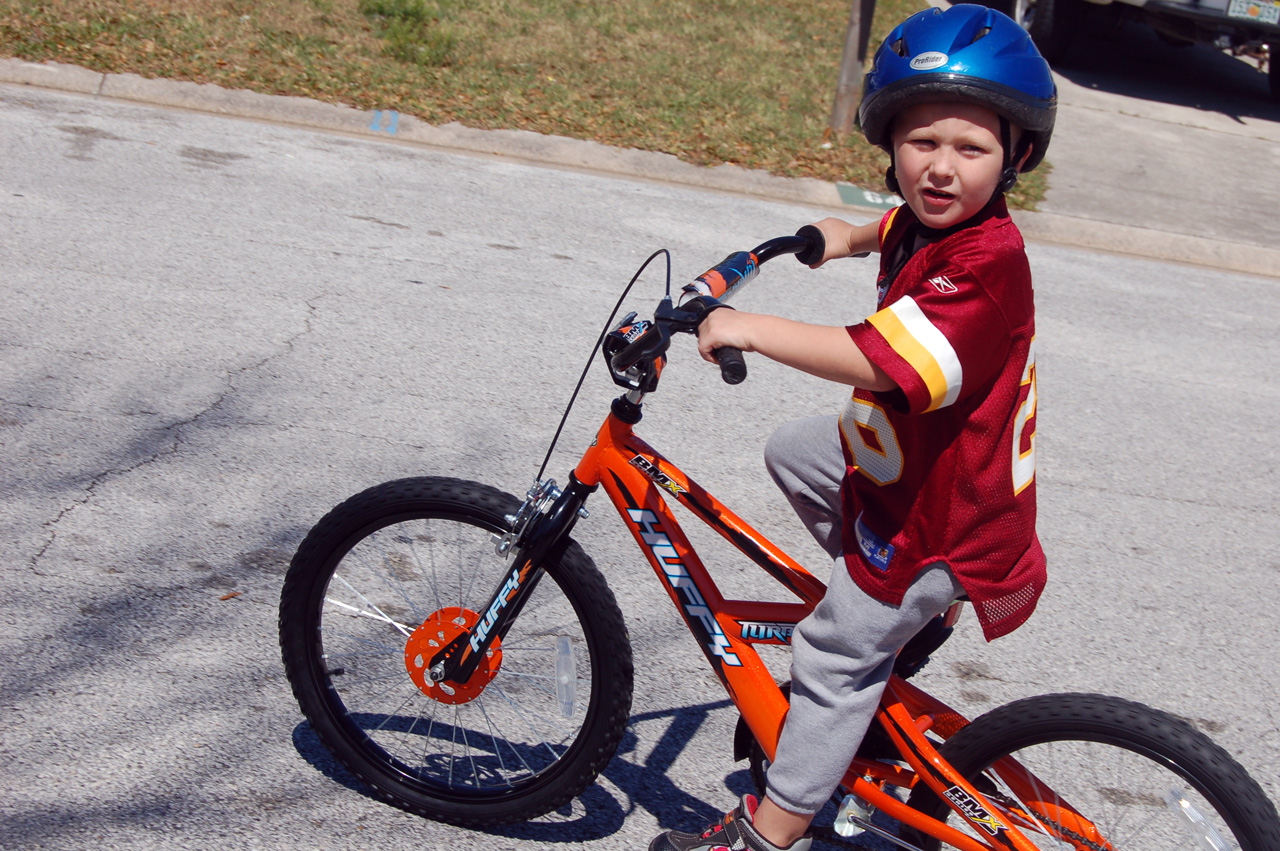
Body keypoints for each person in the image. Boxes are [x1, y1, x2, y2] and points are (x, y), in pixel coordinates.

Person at [648, 6, 1056, 851]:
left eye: (969, 150)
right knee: (795, 451)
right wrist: (845, 235)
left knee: (831, 655)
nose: (939, 170)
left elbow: (875, 360)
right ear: (891, 144)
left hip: (941, 522)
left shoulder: (987, 270)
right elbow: (900, 223)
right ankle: (905, 626)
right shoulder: (934, 219)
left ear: (1015, 156)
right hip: (918, 467)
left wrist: (748, 325)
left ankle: (774, 827)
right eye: (920, 144)